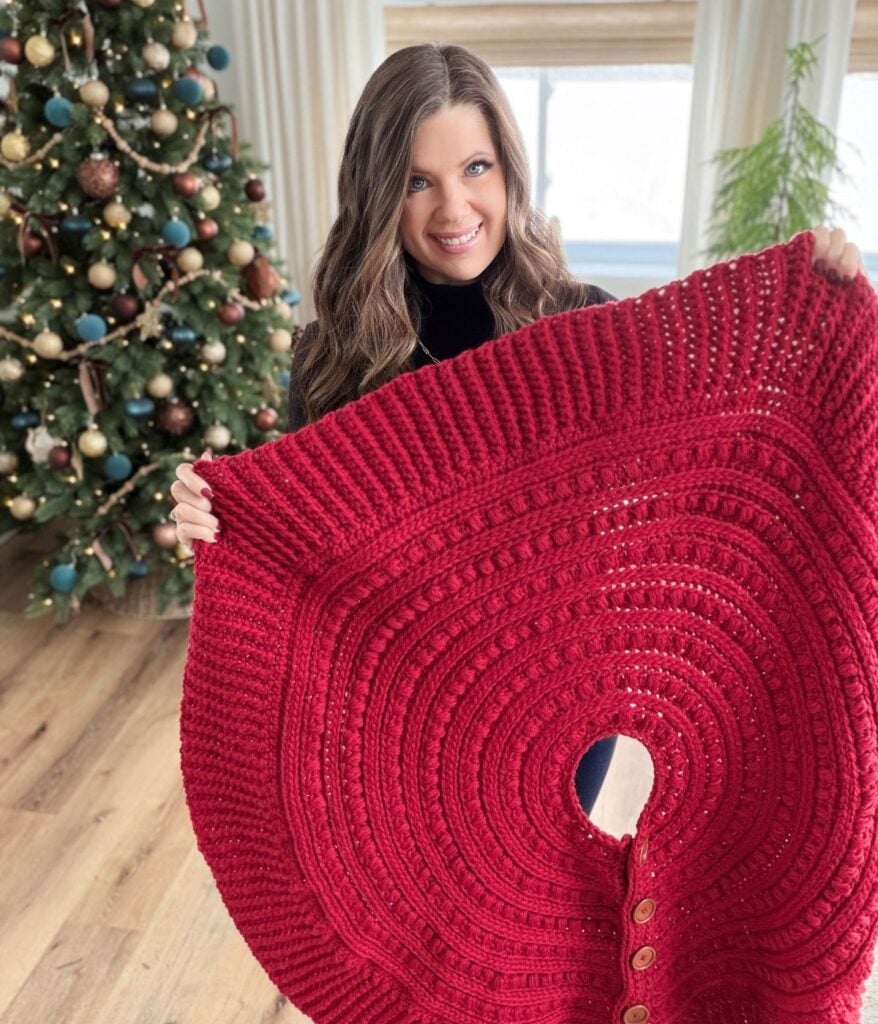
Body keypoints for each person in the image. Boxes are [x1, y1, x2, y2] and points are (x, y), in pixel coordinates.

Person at [170, 42, 866, 821]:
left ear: (510, 171)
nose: (454, 211)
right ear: (376, 194)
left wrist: (818, 300)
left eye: (476, 169)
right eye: (415, 182)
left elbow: (733, 416)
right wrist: (215, 515)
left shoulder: (582, 323)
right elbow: (302, 554)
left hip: (558, 714)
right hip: (397, 716)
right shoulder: (332, 359)